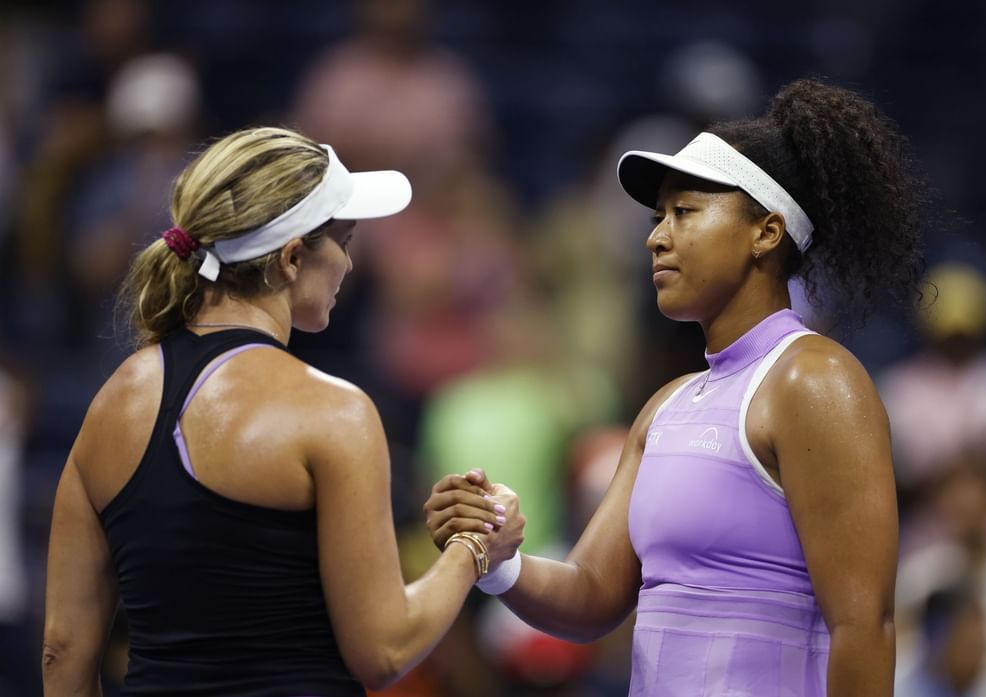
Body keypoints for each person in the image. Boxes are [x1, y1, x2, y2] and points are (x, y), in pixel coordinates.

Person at [424, 79, 925, 696]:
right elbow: (589, 597)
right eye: (658, 216)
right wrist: (496, 561)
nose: (656, 237)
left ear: (766, 232)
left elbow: (864, 626)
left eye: (684, 212)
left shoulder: (814, 380)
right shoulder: (665, 406)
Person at [42, 126, 523, 696]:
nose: (350, 262)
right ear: (292, 258)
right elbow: (384, 649)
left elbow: (62, 652)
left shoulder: (110, 404)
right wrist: (474, 549)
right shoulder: (334, 412)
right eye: (343, 240)